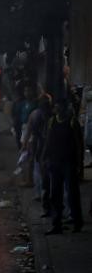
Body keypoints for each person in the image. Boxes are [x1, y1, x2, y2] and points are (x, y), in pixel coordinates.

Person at [42, 100, 84, 234]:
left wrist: (79, 164)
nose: (56, 107)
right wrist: (44, 157)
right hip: (55, 163)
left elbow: (79, 145)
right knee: (55, 194)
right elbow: (48, 141)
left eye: (57, 105)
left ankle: (77, 222)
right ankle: (57, 224)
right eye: (55, 105)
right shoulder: (52, 121)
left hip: (69, 163)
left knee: (72, 194)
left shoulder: (72, 122)